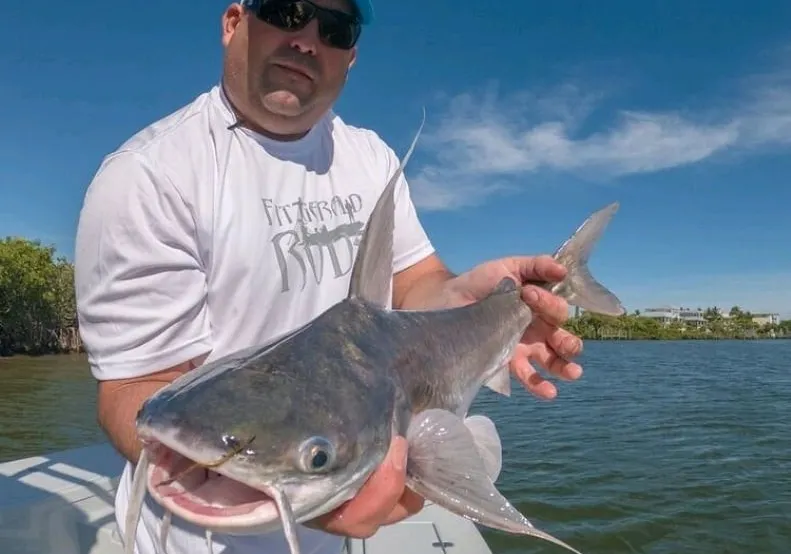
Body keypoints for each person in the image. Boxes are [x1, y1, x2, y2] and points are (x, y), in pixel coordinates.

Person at [73, 1, 585, 553]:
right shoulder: (149, 177)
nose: (307, 39)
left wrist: (477, 303)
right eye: (285, 10)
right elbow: (131, 388)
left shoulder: (369, 156)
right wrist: (317, 485)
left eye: (335, 28)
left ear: (351, 56)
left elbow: (417, 285)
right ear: (232, 22)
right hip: (190, 537)